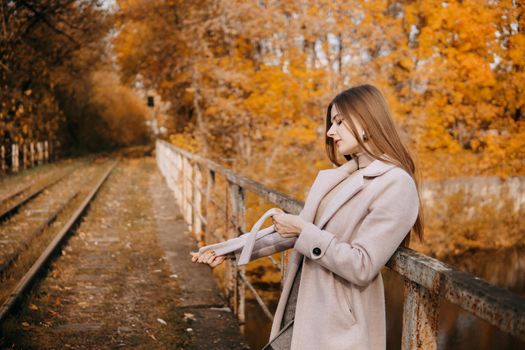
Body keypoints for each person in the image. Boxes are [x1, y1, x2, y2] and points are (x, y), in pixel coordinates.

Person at [191, 84, 423, 350]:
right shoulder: (340, 177)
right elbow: (294, 233)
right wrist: (228, 250)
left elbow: (363, 265)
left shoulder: (395, 184)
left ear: (366, 119)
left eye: (339, 121)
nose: (330, 131)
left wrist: (303, 231)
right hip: (302, 308)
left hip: (338, 326)